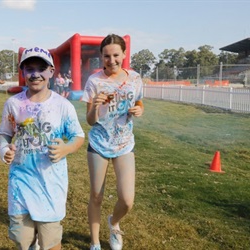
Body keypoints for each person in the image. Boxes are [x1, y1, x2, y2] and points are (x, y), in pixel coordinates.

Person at [0, 47, 85, 250]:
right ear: (23, 72)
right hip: (21, 183)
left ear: (51, 71)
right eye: (29, 69)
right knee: (22, 240)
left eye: (41, 69)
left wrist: (66, 149)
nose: (35, 74)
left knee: (51, 243)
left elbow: (78, 136)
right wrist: (3, 149)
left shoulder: (63, 106)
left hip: (50, 186)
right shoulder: (13, 104)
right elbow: (4, 132)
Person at [81, 34, 144, 250]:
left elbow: (139, 102)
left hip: (125, 144)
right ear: (101, 56)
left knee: (127, 200)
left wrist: (139, 109)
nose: (111, 60)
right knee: (96, 195)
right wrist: (95, 107)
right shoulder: (94, 81)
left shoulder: (134, 78)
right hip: (99, 144)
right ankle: (95, 242)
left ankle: (114, 223)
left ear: (124, 54)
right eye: (106, 56)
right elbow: (89, 121)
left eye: (116, 55)